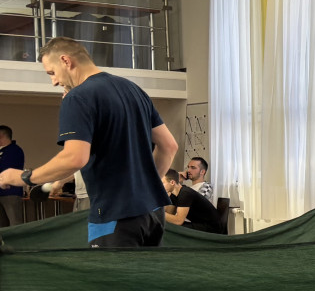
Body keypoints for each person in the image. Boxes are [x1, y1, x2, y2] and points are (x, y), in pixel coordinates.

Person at [0, 37, 178, 247]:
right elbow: (169, 146)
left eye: (51, 73)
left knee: (111, 271)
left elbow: (74, 158)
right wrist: (144, 188)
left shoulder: (78, 97)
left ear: (66, 61)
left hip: (115, 213)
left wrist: (23, 177)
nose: (54, 82)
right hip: (153, 212)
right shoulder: (134, 89)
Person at [164, 168, 225, 234]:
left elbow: (178, 221)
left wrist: (158, 213)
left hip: (212, 228)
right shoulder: (174, 194)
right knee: (166, 225)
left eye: (162, 183)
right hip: (199, 224)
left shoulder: (185, 193)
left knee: (170, 228)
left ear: (172, 182)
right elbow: (169, 215)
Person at [0, 125, 24, 228]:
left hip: (11, 193)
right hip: (1, 193)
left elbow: (7, 170)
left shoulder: (15, 150)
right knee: (2, 226)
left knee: (15, 224)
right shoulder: (2, 151)